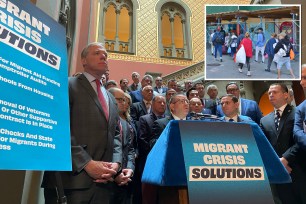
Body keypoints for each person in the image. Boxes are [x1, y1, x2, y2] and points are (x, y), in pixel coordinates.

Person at [42, 42, 122, 204]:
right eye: (97, 53)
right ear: (83, 60)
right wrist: (86, 163)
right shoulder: (65, 84)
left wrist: (116, 163)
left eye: (105, 55)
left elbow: (116, 135)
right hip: (71, 182)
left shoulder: (111, 98)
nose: (103, 56)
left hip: (104, 185)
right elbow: (55, 127)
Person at [260, 83, 306, 204]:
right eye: (269, 93)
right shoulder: (264, 120)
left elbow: (302, 139)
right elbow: (265, 145)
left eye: (275, 92)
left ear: (286, 95)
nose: (271, 95)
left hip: (299, 168)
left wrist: (285, 159)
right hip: (279, 174)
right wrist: (277, 163)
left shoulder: (298, 113)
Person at [108, 88, 136, 204]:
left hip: (124, 178)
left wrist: (129, 169)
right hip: (107, 178)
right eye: (120, 100)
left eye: (125, 100)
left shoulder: (125, 123)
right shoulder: (103, 120)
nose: (124, 103)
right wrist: (116, 174)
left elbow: (130, 149)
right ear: (109, 98)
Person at [294, 64, 306, 149]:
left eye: (305, 78)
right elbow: (297, 131)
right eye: (301, 78)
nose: (301, 82)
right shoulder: (300, 108)